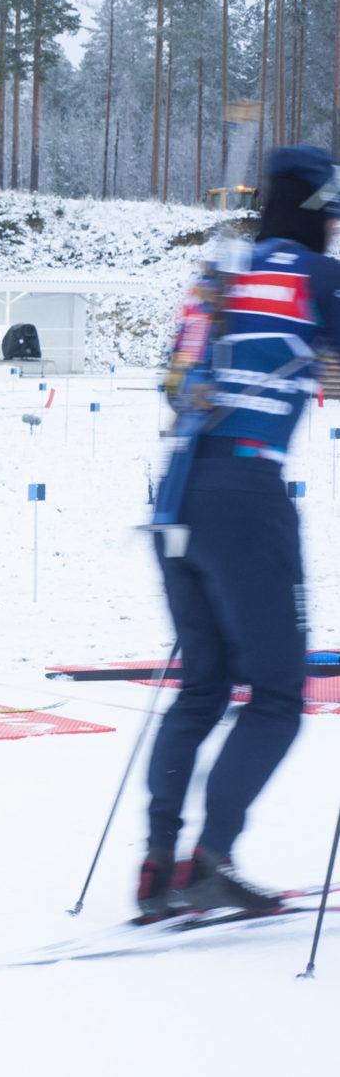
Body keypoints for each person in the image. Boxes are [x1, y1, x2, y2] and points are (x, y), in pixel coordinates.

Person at [137, 146, 340, 919]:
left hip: (176, 494)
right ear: (321, 214)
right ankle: (209, 862)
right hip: (246, 494)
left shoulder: (217, 277)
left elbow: (172, 379)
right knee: (281, 695)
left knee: (203, 687)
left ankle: (159, 865)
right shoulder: (317, 277)